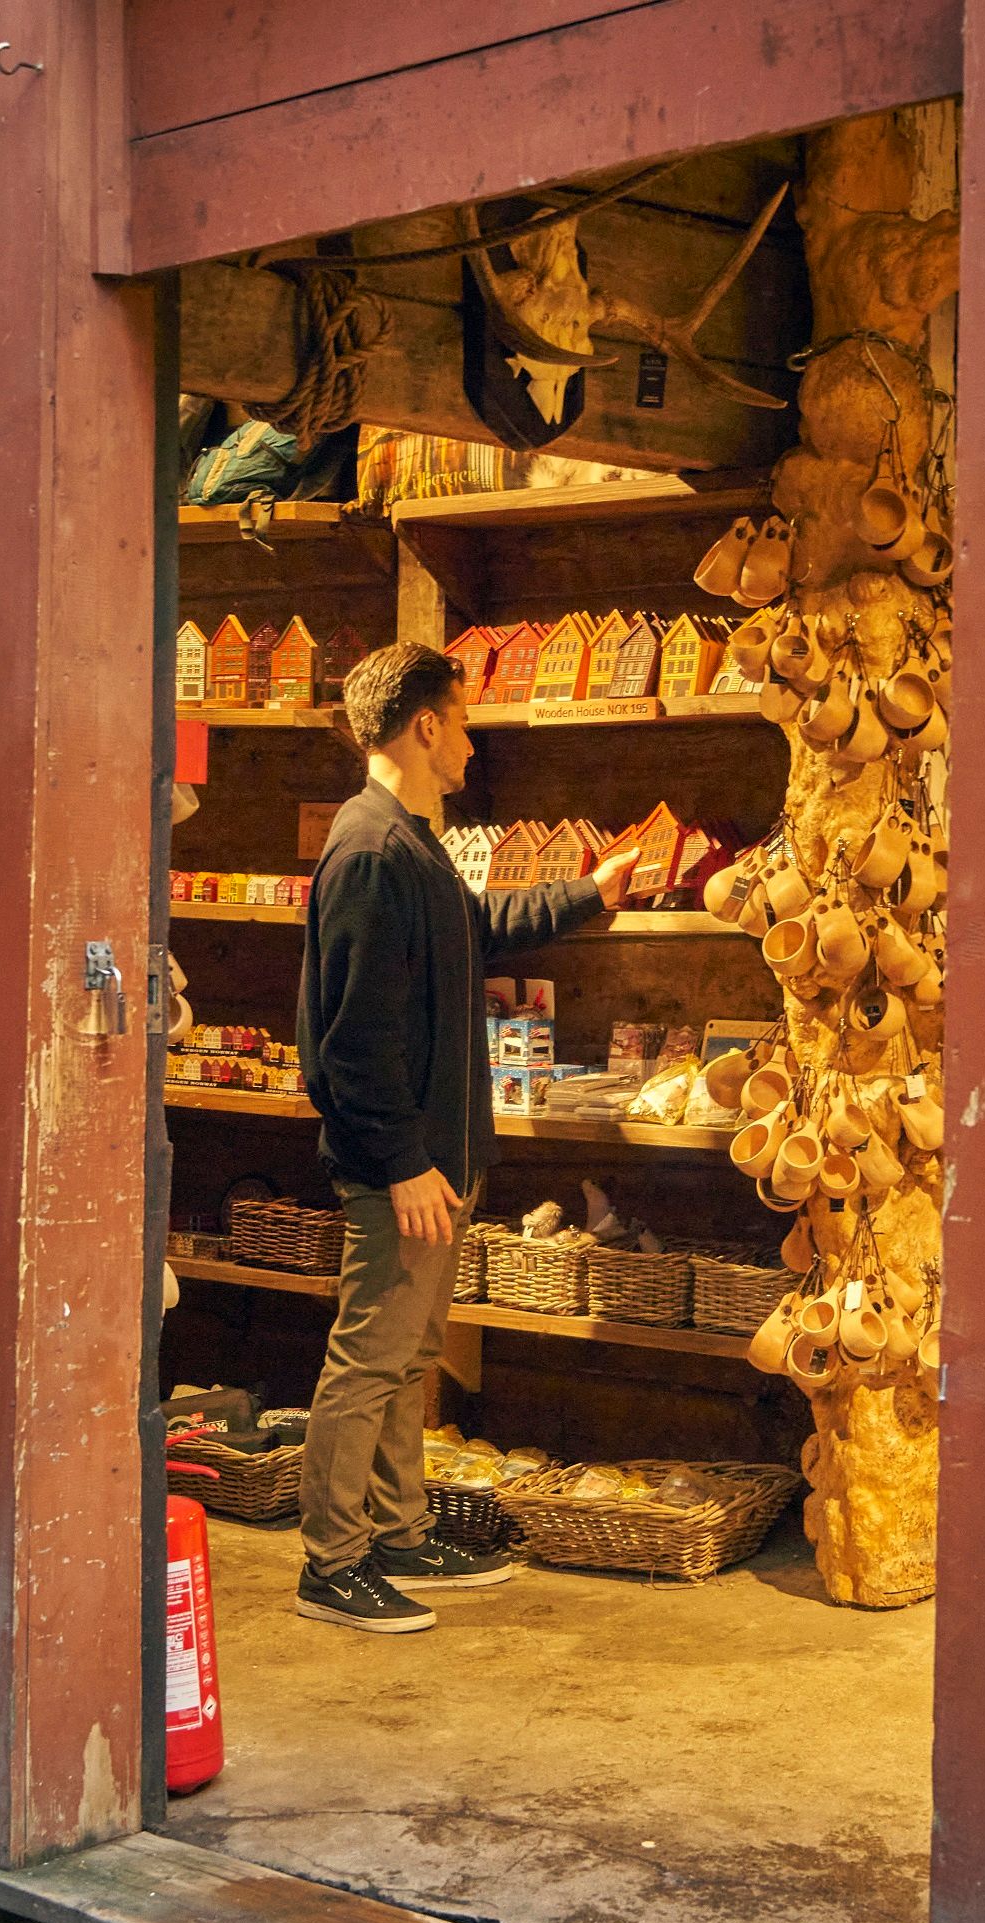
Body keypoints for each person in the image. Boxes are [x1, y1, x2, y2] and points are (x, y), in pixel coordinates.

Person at [294, 643, 639, 1632]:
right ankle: (334, 1559)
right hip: (399, 1168)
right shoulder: (369, 850)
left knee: (411, 1355)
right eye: (465, 717)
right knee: (368, 1359)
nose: (474, 737)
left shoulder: (412, 844)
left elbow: (471, 926)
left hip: (437, 1161)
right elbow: (352, 1041)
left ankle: (397, 1531)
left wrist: (586, 894)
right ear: (427, 725)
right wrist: (402, 1161)